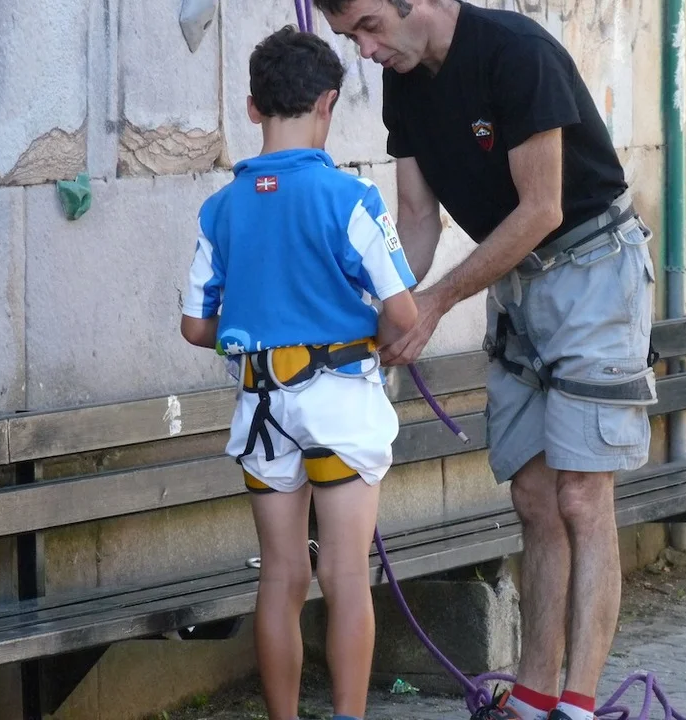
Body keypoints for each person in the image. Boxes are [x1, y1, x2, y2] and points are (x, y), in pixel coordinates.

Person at [316, 2, 659, 719]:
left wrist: (437, 302)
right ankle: (533, 696)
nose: (365, 51)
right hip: (515, 286)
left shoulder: (515, 52)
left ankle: (579, 706)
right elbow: (416, 220)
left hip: (594, 270)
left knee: (580, 495)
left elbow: (541, 208)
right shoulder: (403, 81)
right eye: (352, 37)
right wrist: (381, 311)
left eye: (370, 26)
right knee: (533, 496)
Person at [179, 26, 418, 720]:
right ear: (328, 103)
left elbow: (196, 326)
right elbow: (402, 311)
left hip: (261, 406)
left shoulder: (220, 209)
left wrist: (251, 329)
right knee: (344, 574)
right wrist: (372, 338)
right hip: (339, 401)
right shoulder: (351, 198)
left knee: (281, 575)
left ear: (252, 108)